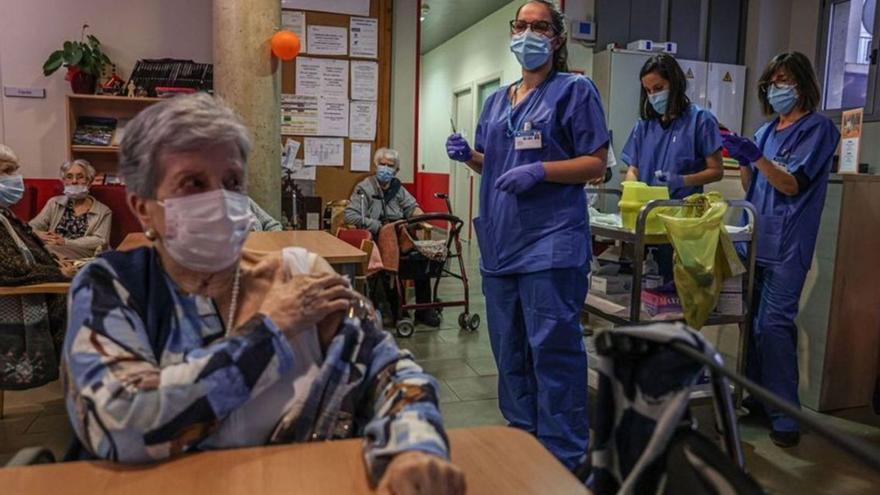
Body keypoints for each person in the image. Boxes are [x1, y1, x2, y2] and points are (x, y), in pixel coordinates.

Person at [62, 94, 465, 494]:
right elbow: (124, 424)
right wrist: (269, 329)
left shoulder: (300, 274)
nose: (219, 200)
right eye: (193, 183)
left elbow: (392, 374)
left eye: (232, 182)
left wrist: (412, 449)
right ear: (143, 207)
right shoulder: (113, 286)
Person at [445, 0, 608, 470]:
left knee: (552, 351)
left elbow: (596, 163)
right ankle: (524, 440)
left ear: (556, 38)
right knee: (510, 352)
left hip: (550, 242)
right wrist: (469, 158)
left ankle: (565, 457)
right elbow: (495, 162)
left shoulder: (575, 90)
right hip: (501, 243)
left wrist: (541, 170)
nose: (528, 33)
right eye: (521, 25)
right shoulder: (498, 100)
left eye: (539, 26)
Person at [723, 52, 840, 448]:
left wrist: (757, 157)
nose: (777, 88)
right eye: (772, 81)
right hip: (757, 237)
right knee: (752, 326)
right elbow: (750, 186)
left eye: (784, 80)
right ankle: (759, 399)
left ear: (803, 83)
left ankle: (786, 416)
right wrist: (744, 158)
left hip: (789, 243)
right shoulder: (765, 131)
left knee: (773, 326)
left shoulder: (819, 129)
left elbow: (791, 185)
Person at [0, 144, 73, 390]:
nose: (14, 179)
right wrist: (59, 274)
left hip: (41, 286)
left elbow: (27, 252)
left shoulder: (5, 214)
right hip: (17, 303)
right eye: (6, 172)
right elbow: (12, 270)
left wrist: (53, 262)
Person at [343, 148, 441, 328]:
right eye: (382, 164)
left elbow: (412, 208)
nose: (385, 169)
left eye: (390, 166)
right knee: (384, 261)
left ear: (396, 170)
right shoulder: (364, 188)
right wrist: (377, 226)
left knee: (422, 258)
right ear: (376, 165)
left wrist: (421, 219)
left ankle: (423, 309)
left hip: (399, 235)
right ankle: (394, 309)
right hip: (375, 237)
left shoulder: (398, 189)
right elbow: (349, 216)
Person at [621, 53, 724, 199]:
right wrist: (632, 191)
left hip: (682, 213)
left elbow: (716, 171)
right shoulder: (644, 125)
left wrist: (682, 180)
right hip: (647, 209)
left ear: (675, 83)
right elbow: (633, 169)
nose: (653, 95)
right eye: (648, 90)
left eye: (658, 88)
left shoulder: (700, 120)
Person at [30, 159, 112, 259]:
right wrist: (39, 233)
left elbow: (100, 240)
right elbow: (32, 226)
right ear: (64, 181)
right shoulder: (54, 203)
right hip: (52, 249)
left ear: (89, 181)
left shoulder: (103, 211)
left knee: (47, 250)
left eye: (80, 177)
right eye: (69, 177)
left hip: (84, 254)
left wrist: (65, 242)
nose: (74, 181)